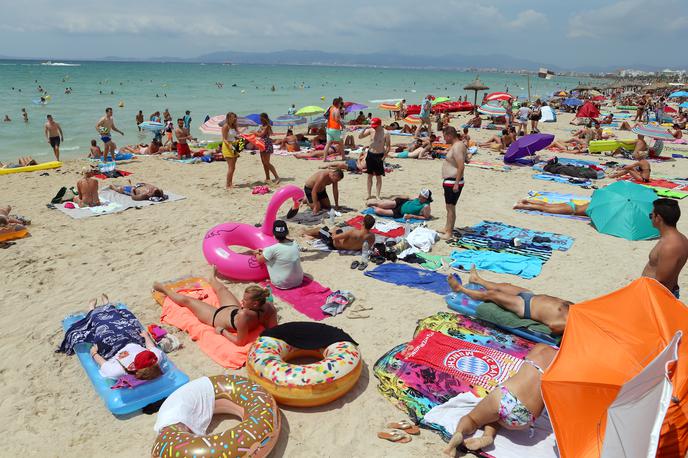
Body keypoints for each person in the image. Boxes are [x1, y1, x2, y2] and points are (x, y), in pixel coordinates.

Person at [444, 343, 557, 453]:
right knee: (497, 417)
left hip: (506, 395)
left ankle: (458, 434)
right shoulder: (564, 369)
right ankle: (488, 436)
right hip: (526, 417)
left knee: (473, 419)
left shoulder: (542, 347)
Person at [153, 272, 277, 346]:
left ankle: (163, 289)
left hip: (215, 317)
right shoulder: (269, 307)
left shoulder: (244, 315)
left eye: (245, 300)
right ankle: (212, 277)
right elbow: (273, 329)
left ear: (255, 304)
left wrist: (222, 331)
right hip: (233, 310)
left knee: (188, 301)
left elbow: (240, 342)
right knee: (222, 289)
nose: (242, 301)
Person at [58, 300, 164, 381]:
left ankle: (92, 310)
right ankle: (107, 305)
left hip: (111, 347)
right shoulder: (155, 359)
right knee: (119, 321)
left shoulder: (118, 371)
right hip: (132, 339)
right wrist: (146, 336)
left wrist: (94, 353)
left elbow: (103, 363)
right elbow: (151, 347)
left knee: (101, 325)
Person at [449, 267, 571, 334]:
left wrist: (564, 325)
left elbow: (553, 327)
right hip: (532, 296)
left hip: (525, 306)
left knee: (492, 295)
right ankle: (477, 280)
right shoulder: (578, 310)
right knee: (505, 286)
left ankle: (460, 289)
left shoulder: (569, 323)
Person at [642, 198, 688, 298]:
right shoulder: (680, 238)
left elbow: (661, 282)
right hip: (660, 294)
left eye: (651, 215)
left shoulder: (670, 246)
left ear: (658, 217)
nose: (651, 218)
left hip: (658, 297)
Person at [254, 220, 304, 289]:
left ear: (274, 233)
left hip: (282, 283)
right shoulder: (295, 244)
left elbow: (259, 260)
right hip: (299, 280)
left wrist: (256, 253)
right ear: (287, 232)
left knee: (269, 258)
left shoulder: (272, 249)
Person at [440, 126, 466, 239]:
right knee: (449, 207)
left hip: (453, 181)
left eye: (444, 136)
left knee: (450, 208)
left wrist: (456, 183)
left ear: (449, 135)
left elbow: (461, 166)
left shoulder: (457, 147)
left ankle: (449, 233)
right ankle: (447, 228)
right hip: (451, 181)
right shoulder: (457, 146)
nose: (444, 139)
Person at [304, 214, 376, 251]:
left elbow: (334, 237)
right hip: (351, 248)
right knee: (339, 229)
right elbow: (366, 248)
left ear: (363, 223)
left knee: (321, 229)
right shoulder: (372, 237)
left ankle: (305, 232)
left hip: (334, 244)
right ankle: (314, 236)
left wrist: (334, 230)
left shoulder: (353, 232)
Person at [358, 117, 391, 200]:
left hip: (379, 155)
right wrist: (364, 129)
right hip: (370, 154)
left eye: (376, 126)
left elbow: (388, 146)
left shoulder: (386, 133)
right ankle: (369, 195)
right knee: (369, 176)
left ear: (380, 124)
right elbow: (360, 137)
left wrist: (384, 156)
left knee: (378, 176)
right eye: (373, 126)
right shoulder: (371, 130)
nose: (374, 127)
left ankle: (377, 195)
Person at [366, 189, 433, 220]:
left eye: (421, 197)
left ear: (426, 199)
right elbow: (408, 197)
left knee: (378, 211)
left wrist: (413, 216)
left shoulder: (426, 206)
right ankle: (375, 203)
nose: (419, 197)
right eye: (419, 195)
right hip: (402, 202)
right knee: (382, 204)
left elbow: (426, 217)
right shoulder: (418, 198)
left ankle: (373, 206)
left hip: (400, 212)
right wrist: (397, 197)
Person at [221, 112, 242, 189]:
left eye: (235, 117)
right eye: (233, 117)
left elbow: (237, 136)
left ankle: (230, 183)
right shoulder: (225, 126)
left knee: (233, 167)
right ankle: (228, 184)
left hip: (235, 146)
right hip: (227, 147)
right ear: (228, 118)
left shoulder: (234, 126)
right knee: (231, 167)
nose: (235, 118)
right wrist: (229, 145)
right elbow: (224, 139)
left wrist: (242, 137)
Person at [257, 113, 280, 184]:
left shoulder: (267, 126)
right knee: (264, 163)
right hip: (262, 144)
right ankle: (267, 178)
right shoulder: (262, 126)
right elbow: (259, 134)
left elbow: (261, 134)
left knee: (267, 162)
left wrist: (255, 132)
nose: (260, 120)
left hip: (267, 144)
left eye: (261, 119)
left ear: (264, 118)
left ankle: (277, 177)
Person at [514, 198, 589, 216]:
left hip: (572, 204)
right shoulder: (598, 212)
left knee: (547, 204)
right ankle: (521, 206)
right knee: (545, 208)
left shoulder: (595, 204)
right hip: (571, 209)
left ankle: (527, 201)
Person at [323, 98, 344, 162]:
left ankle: (324, 158)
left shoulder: (330, 108)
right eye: (340, 103)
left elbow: (325, 114)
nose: (341, 104)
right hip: (335, 129)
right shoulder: (337, 110)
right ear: (338, 103)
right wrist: (343, 125)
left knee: (328, 144)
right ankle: (343, 157)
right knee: (341, 143)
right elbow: (337, 120)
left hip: (329, 128)